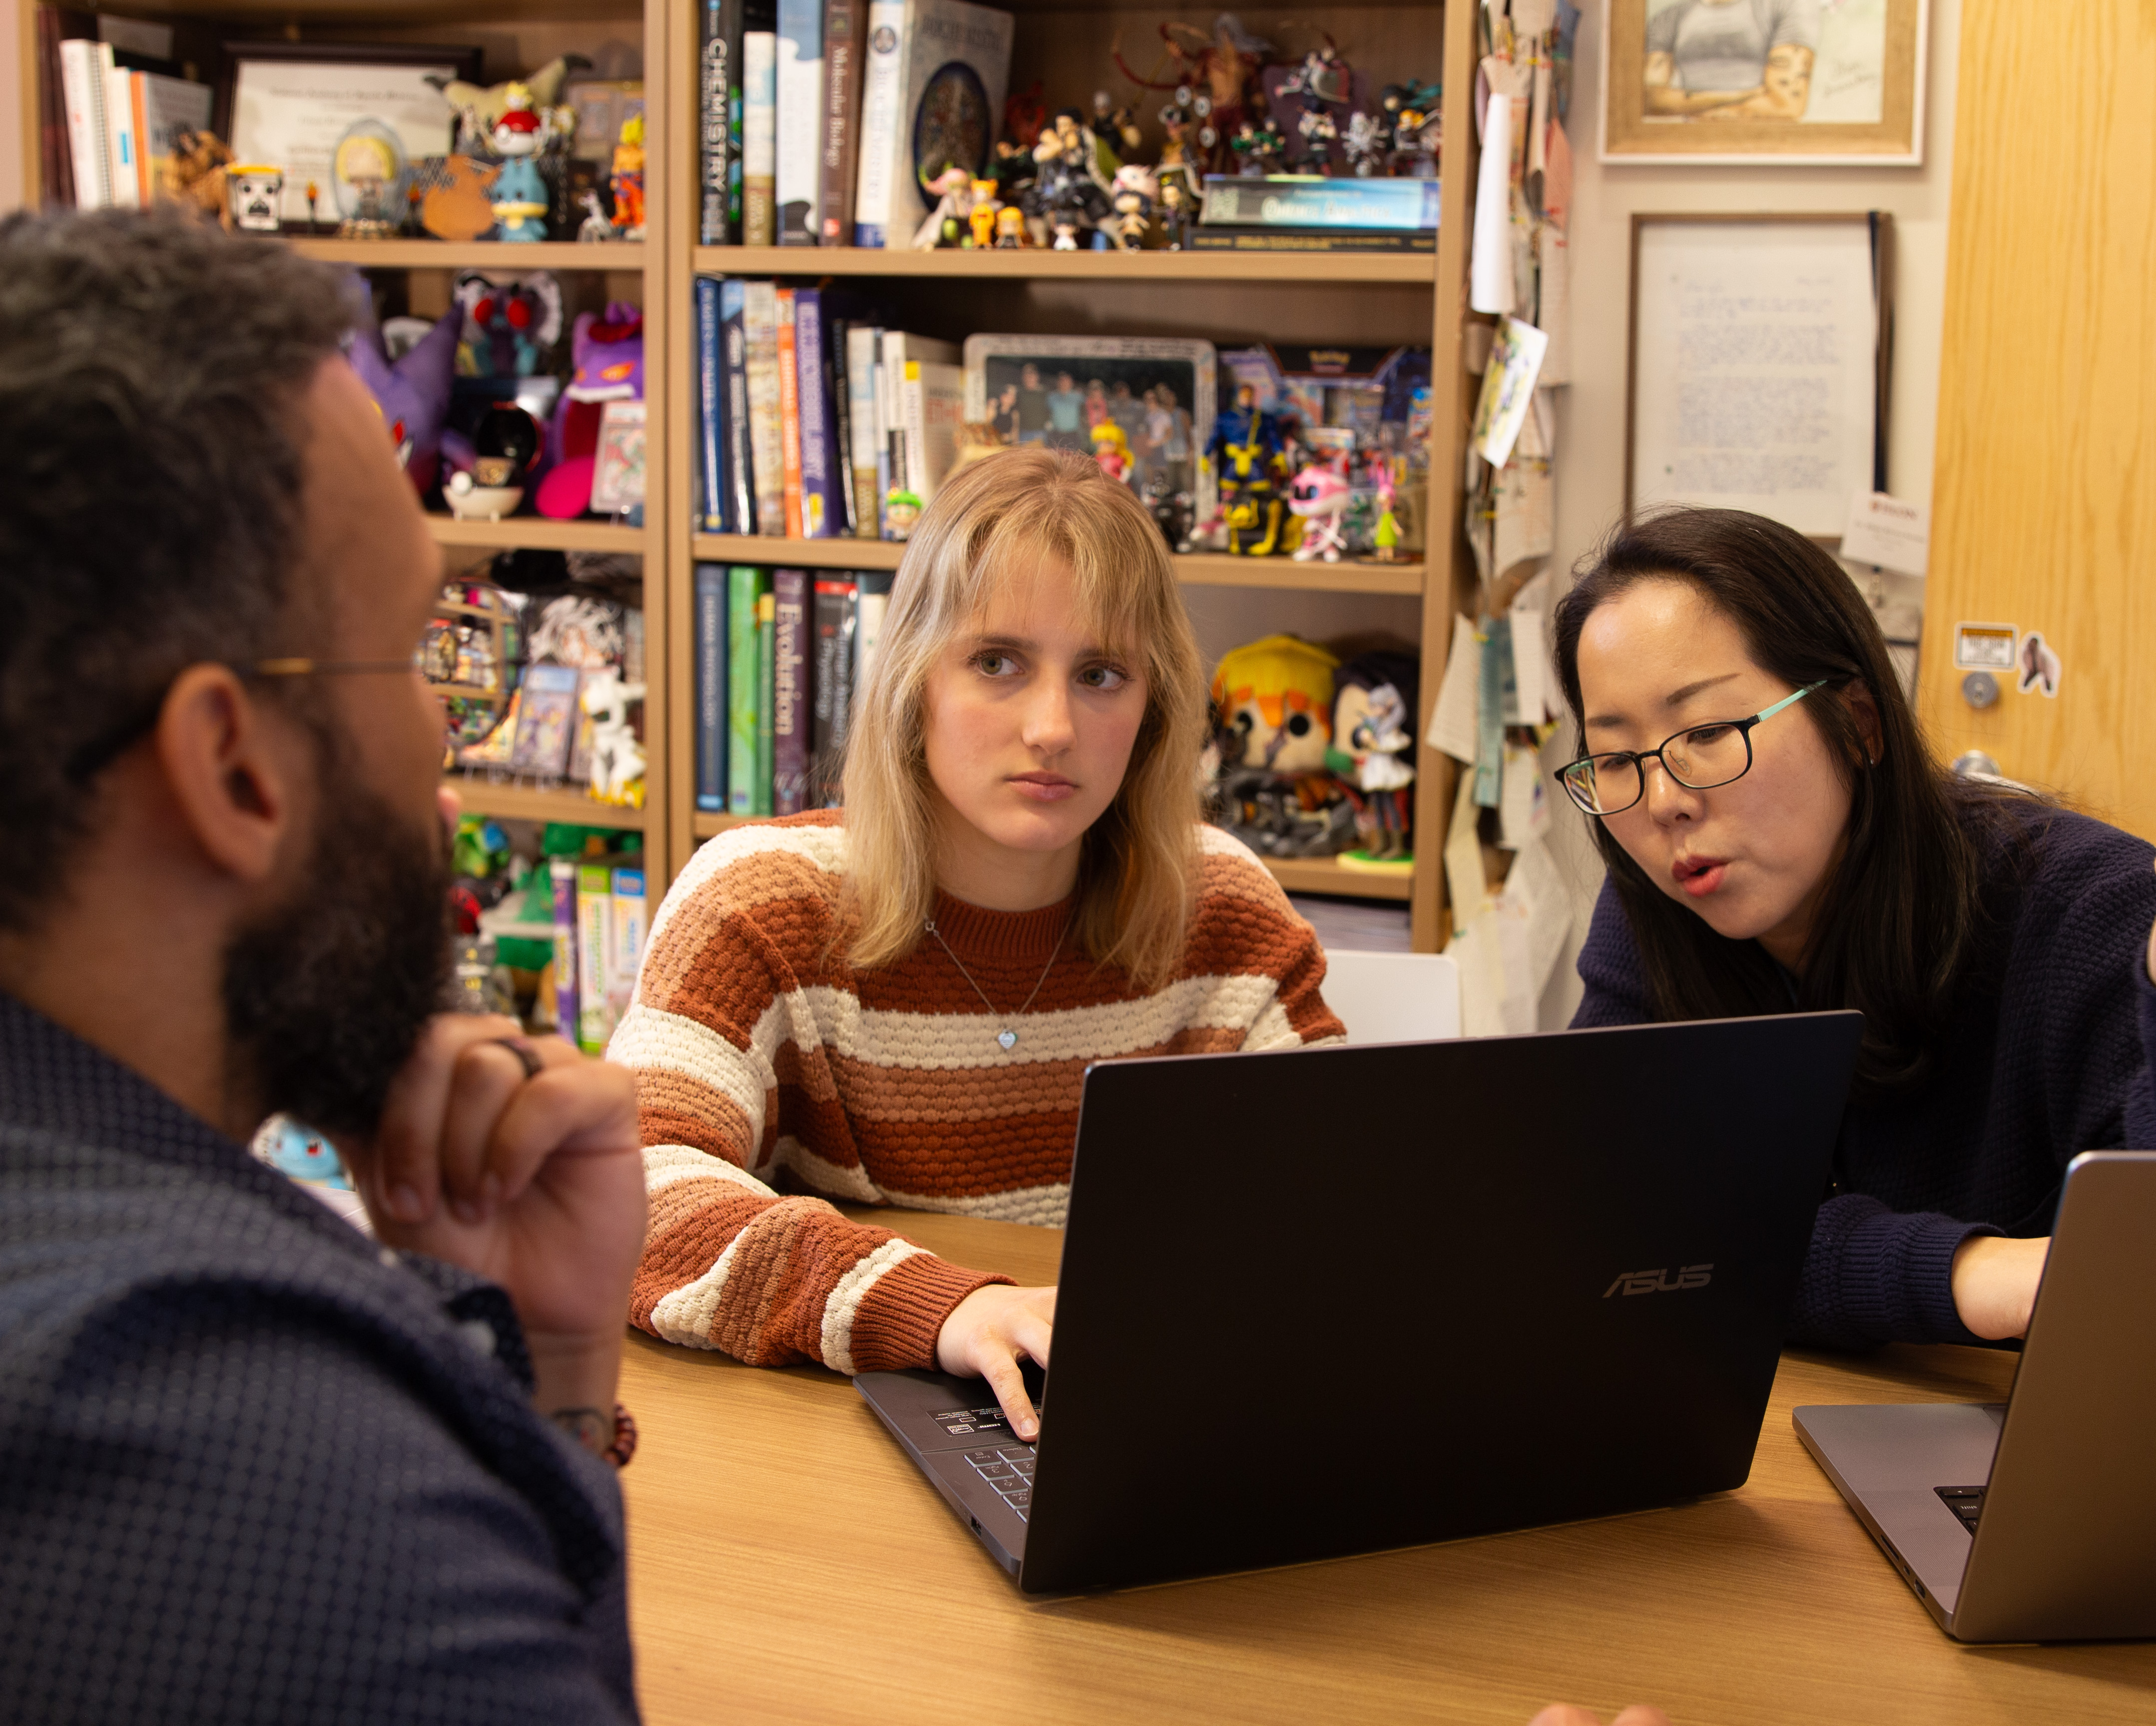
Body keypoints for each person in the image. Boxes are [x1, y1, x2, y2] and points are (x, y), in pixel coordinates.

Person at [0, 211, 647, 1719]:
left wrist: (547, 1368)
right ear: (233, 771)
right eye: (420, 650)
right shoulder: (237, 1458)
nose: (447, 733)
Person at [1553, 510, 2156, 1349]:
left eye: (1705, 732)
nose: (1663, 800)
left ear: (1855, 721)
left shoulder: (2082, 904)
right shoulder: (1654, 915)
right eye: (1618, 757)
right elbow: (1617, 1227)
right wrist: (1967, 1273)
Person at [608, 444, 1341, 1441]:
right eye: (997, 663)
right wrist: (940, 1307)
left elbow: (1344, 1213)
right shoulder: (761, 905)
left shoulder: (1224, 912)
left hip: (1123, 1435)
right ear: (915, 682)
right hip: (832, 1448)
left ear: (1155, 710)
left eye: (1100, 674)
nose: (1052, 727)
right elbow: (624, 1193)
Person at [1642, 0, 1820, 118]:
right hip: (1692, 153)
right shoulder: (1668, 19)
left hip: (1768, 151)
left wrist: (1691, 106)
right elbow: (1648, 101)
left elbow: (1786, 106)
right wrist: (1743, 96)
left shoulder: (1786, 6)